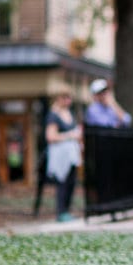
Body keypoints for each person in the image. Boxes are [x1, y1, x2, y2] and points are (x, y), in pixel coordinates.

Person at [45, 85, 82, 223]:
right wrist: (70, 135)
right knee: (62, 183)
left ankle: (67, 210)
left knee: (72, 182)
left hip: (71, 155)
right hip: (60, 156)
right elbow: (50, 136)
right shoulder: (53, 115)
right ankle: (61, 212)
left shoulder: (69, 113)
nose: (68, 100)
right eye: (65, 97)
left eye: (69, 97)